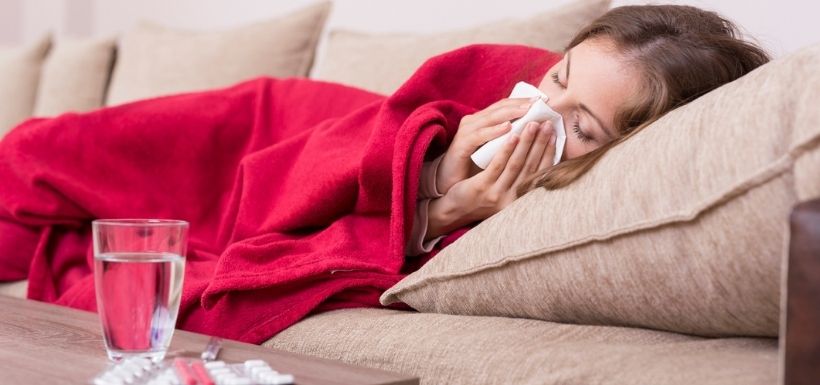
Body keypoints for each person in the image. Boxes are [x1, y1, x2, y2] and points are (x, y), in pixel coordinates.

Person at [406, 4, 770, 255]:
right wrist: (433, 172)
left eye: (581, 128)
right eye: (559, 79)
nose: (543, 108)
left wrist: (446, 214)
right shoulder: (509, 71)